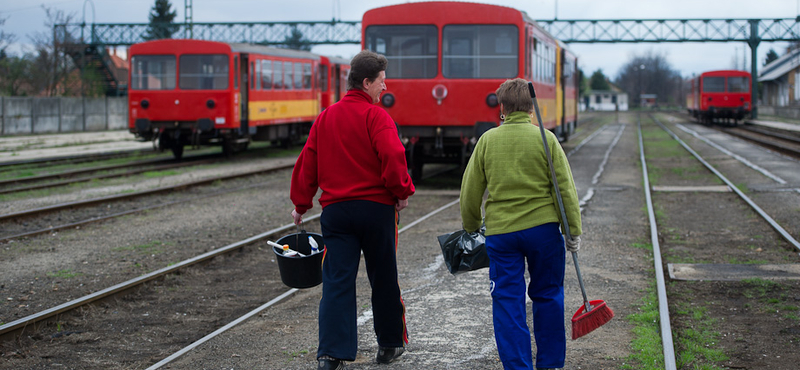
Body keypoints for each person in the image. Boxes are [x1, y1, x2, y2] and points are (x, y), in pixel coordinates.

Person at [290, 49, 415, 370]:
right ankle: (389, 345)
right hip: (376, 211)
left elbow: (307, 165)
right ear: (366, 82)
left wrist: (300, 204)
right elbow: (392, 154)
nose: (384, 88)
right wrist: (401, 191)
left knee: (337, 280)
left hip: (337, 214)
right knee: (384, 275)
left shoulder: (325, 117)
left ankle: (331, 355)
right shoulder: (377, 117)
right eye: (381, 82)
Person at [459, 78, 582, 370]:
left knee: (507, 301)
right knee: (549, 294)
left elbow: (470, 191)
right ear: (531, 107)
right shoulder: (547, 138)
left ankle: (517, 366)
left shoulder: (488, 140)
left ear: (502, 107)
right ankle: (550, 364)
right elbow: (564, 189)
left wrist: (472, 225)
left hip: (502, 236)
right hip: (544, 232)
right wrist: (572, 231)